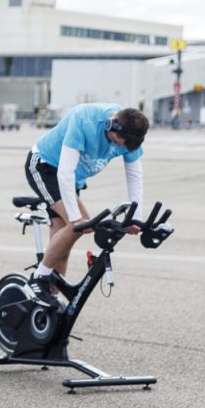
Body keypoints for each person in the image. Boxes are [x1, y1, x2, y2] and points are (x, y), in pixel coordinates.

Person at [23, 104, 149, 306]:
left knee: (65, 241)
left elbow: (134, 175)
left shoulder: (131, 132)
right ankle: (37, 280)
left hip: (72, 180)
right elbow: (64, 173)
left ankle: (47, 304)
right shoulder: (85, 120)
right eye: (120, 143)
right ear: (112, 126)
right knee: (76, 226)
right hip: (45, 167)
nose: (121, 148)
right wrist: (75, 218)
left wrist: (136, 217)